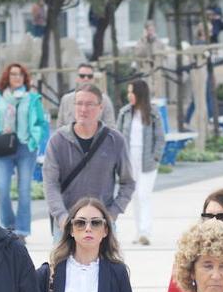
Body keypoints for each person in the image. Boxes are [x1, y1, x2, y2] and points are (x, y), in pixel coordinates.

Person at [44, 83, 135, 229]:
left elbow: (128, 182)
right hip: (67, 223)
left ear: (100, 107)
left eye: (89, 104)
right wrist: (61, 217)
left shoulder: (115, 140)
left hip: (101, 224)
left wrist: (112, 213)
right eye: (79, 103)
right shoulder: (58, 140)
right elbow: (50, 183)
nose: (83, 109)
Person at [0, 62, 50, 240]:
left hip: (26, 147)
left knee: (24, 190)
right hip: (4, 147)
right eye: (13, 74)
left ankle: (22, 231)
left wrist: (35, 140)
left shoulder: (32, 98)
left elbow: (41, 123)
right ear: (7, 77)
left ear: (24, 78)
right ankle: (9, 227)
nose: (17, 77)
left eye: (20, 74)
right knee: (2, 188)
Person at [116, 79, 165, 246]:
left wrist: (156, 157)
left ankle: (145, 232)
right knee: (135, 196)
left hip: (148, 162)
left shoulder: (153, 113)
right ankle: (139, 232)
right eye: (128, 92)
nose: (129, 95)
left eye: (132, 92)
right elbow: (117, 136)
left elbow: (160, 138)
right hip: (129, 161)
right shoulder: (124, 113)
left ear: (140, 94)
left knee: (144, 195)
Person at [57, 63, 116, 128]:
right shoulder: (66, 99)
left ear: (93, 79)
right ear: (77, 78)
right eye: (82, 76)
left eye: (89, 76)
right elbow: (60, 126)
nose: (86, 79)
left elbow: (110, 127)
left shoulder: (104, 100)